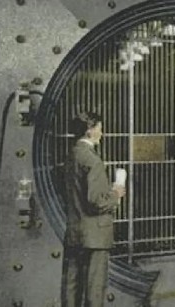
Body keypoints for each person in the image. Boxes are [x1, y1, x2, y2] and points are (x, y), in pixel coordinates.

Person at [61, 112, 126, 307]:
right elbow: (96, 202)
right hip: (95, 236)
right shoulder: (93, 160)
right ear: (89, 130)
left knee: (72, 287)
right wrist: (116, 194)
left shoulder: (72, 155)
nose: (102, 133)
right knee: (94, 291)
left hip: (75, 232)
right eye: (99, 128)